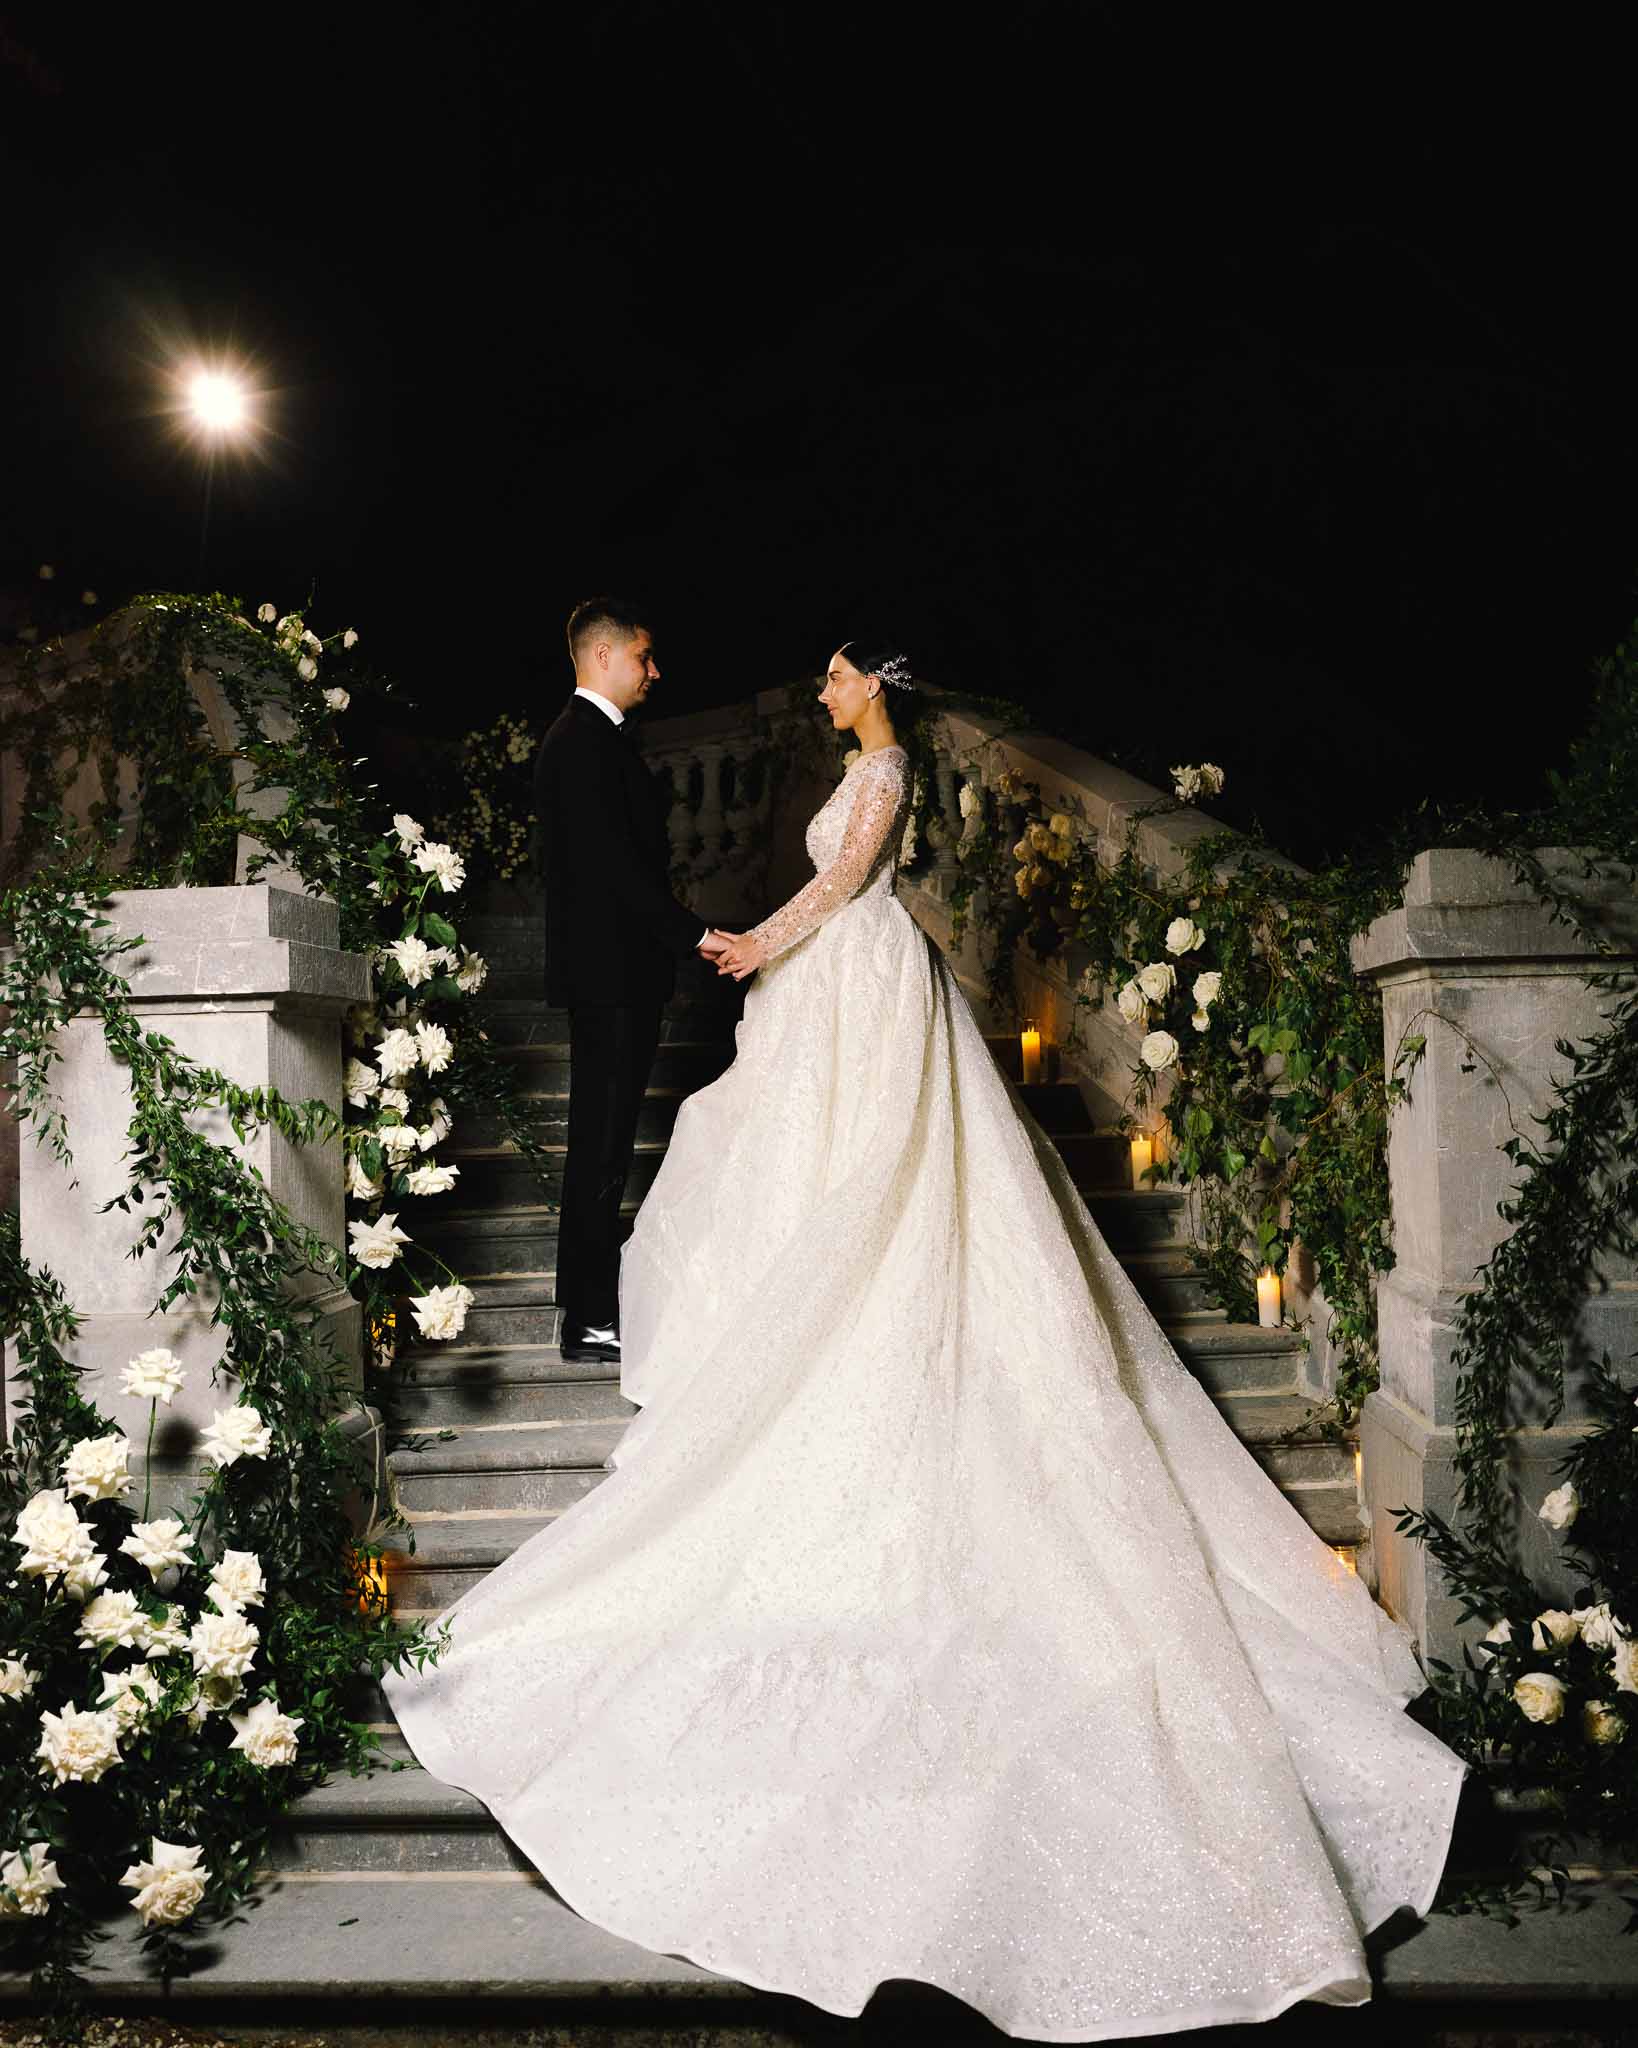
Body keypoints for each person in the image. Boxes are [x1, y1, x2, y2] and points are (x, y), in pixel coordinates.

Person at [385, 636, 1466, 2040]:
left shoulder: (885, 769)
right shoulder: (850, 764)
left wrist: (753, 940)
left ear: (871, 686)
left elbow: (843, 885)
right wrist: (767, 948)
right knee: (782, 1163)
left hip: (863, 975)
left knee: (894, 1178)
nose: (822, 691)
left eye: (833, 677)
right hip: (827, 991)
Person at [530, 597, 727, 1363]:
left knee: (604, 1149)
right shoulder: (580, 743)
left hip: (618, 976)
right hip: (609, 979)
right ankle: (586, 1319)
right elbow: (617, 875)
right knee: (601, 1150)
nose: (655, 670)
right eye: (644, 656)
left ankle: (586, 1307)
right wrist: (698, 935)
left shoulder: (594, 741)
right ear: (604, 657)